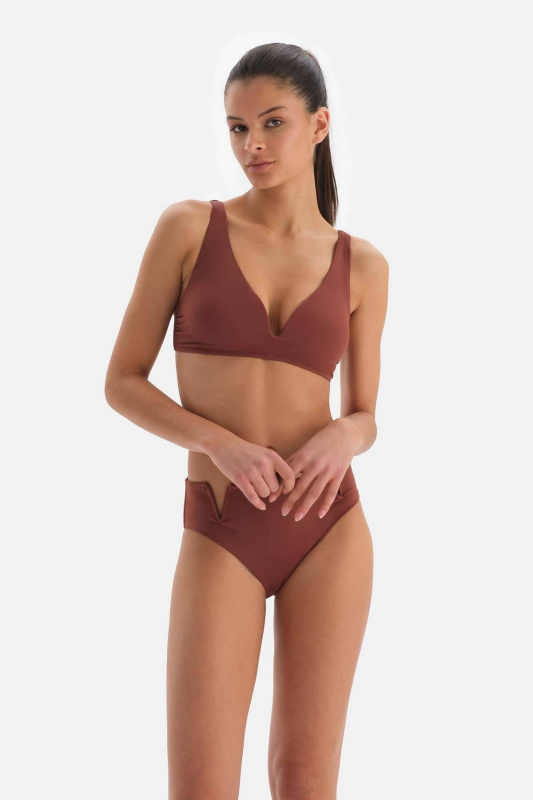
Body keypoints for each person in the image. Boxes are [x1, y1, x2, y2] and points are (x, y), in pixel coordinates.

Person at [105, 42, 389, 800]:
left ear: (318, 124)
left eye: (272, 122)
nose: (251, 145)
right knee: (200, 786)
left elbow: (366, 414)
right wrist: (218, 443)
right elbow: (121, 381)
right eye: (237, 127)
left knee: (305, 779)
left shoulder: (361, 264)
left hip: (328, 526)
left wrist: (345, 433)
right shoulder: (189, 228)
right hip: (222, 519)